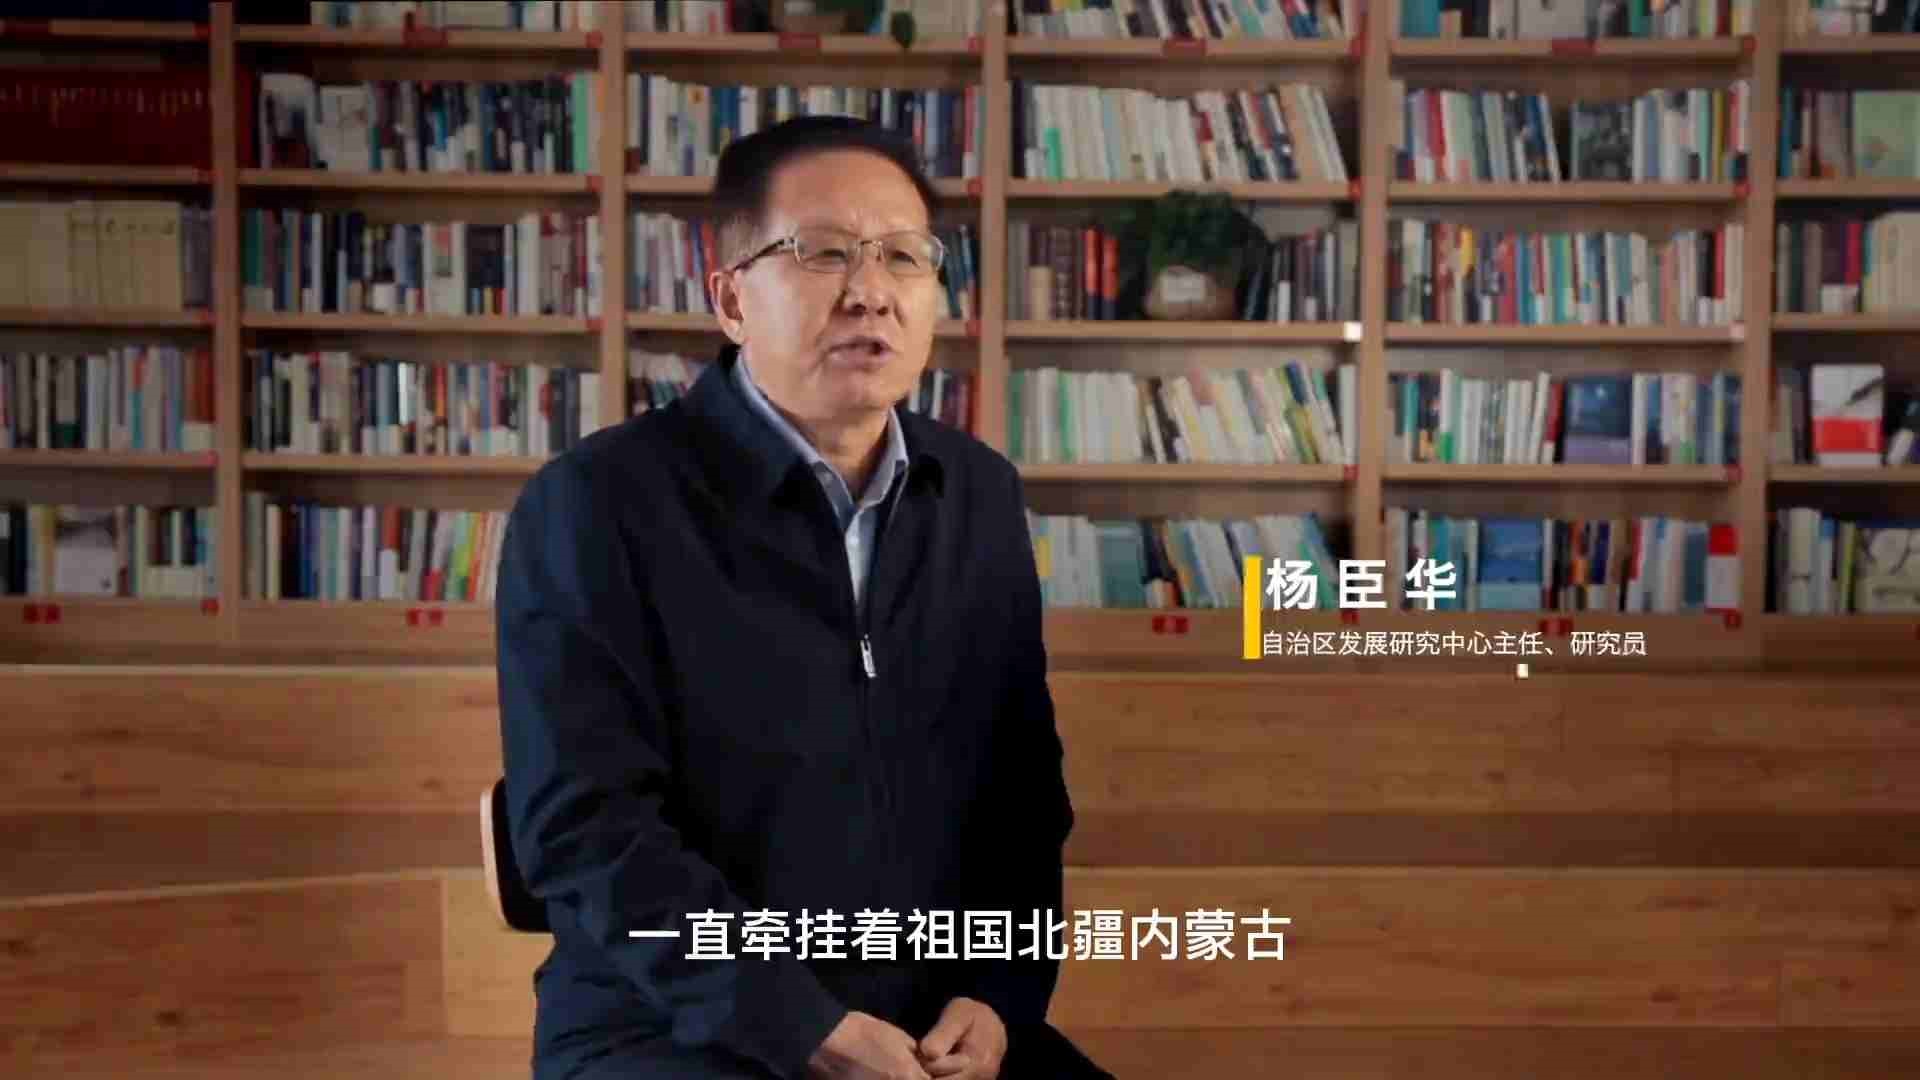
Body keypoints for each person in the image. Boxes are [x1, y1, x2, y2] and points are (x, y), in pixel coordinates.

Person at [495, 115, 1115, 1080]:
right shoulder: (596, 504)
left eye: (904, 256)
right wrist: (798, 1025)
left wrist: (998, 996)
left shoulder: (978, 495)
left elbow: (1021, 801)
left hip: (930, 1029)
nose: (871, 291)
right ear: (731, 299)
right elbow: (588, 828)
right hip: (669, 1028)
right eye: (823, 253)